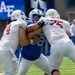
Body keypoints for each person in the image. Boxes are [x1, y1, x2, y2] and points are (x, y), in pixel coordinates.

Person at [26, 9, 75, 75]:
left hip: (56, 44)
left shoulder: (44, 20)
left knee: (54, 69)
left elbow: (31, 28)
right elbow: (68, 34)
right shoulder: (65, 23)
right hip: (68, 43)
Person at [17, 9, 51, 75]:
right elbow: (28, 30)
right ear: (31, 16)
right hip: (26, 57)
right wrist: (39, 28)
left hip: (38, 57)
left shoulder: (44, 26)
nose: (37, 18)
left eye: (38, 16)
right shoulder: (27, 23)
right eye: (35, 16)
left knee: (51, 71)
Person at [0, 10, 33, 75]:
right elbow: (24, 42)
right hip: (6, 51)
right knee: (10, 73)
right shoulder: (20, 23)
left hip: (3, 49)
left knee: (11, 71)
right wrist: (32, 41)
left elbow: (17, 44)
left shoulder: (10, 25)